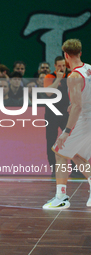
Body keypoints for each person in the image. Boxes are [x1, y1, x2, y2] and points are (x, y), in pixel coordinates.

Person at [43, 39, 91, 209]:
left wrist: (66, 131)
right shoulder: (89, 68)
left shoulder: (74, 76)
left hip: (84, 121)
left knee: (59, 152)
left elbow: (77, 107)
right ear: (80, 52)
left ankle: (61, 197)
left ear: (66, 55)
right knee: (76, 154)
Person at [43, 56, 72, 175]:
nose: (62, 68)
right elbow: (49, 93)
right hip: (52, 114)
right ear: (55, 66)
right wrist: (57, 79)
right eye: (59, 66)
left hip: (66, 113)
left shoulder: (71, 77)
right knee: (51, 141)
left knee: (71, 139)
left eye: (64, 66)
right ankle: (54, 170)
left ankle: (75, 169)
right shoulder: (49, 77)